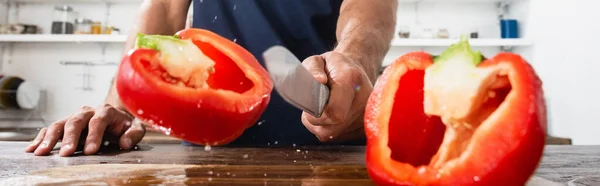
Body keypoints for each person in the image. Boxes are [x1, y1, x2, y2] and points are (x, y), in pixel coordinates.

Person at [25, 0, 398, 156]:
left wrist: (352, 59)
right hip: (214, 149)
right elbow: (164, 9)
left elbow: (370, 8)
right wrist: (119, 106)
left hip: (333, 133)